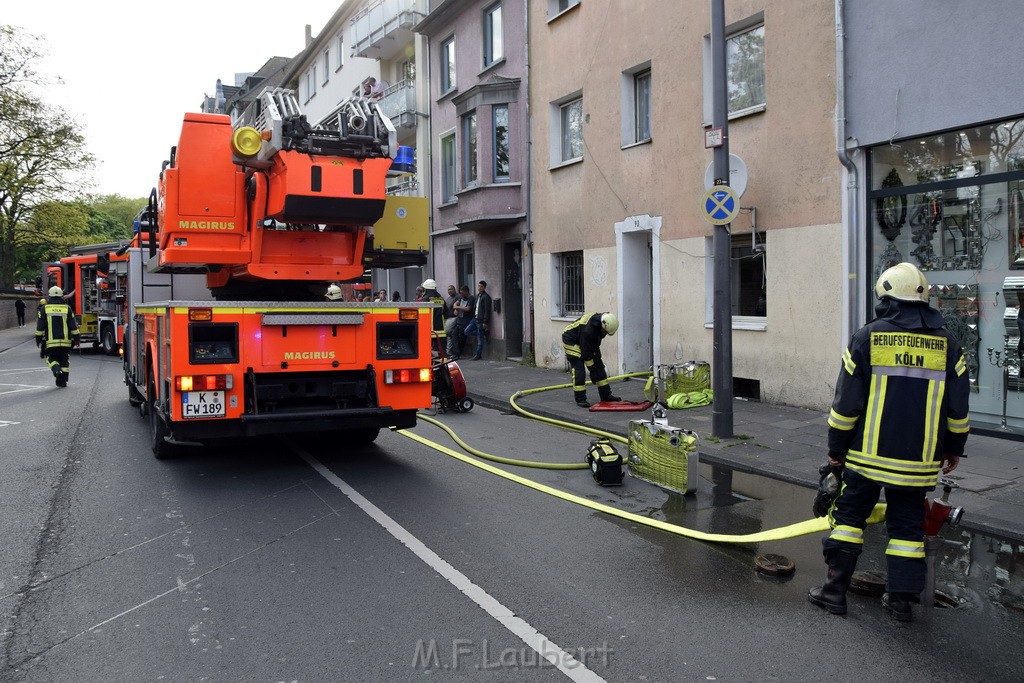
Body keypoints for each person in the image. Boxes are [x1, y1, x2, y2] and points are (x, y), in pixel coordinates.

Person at [808, 262, 969, 623]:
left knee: (849, 519)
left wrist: (836, 449)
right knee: (907, 531)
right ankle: (900, 604)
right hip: (918, 461)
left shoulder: (868, 337)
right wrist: (953, 448)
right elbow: (958, 408)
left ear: (885, 297)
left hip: (865, 457)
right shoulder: (948, 344)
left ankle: (834, 593)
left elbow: (846, 405)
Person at [561, 312, 621, 407]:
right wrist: (592, 371)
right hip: (571, 340)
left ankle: (606, 395)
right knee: (579, 368)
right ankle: (580, 399)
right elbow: (586, 353)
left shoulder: (603, 321)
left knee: (599, 365)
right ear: (602, 326)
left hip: (584, 341)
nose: (605, 334)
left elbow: (594, 345)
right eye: (605, 332)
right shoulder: (588, 331)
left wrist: (596, 364)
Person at [36, 286, 80, 387]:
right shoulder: (67, 309)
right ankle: (63, 381)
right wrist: (77, 339)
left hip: (51, 343)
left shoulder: (44, 309)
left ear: (50, 296)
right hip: (65, 342)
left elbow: (40, 328)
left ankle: (57, 371)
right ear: (61, 296)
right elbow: (73, 326)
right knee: (64, 360)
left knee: (50, 359)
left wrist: (38, 340)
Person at [462, 280, 492, 361]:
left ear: (484, 287)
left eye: (481, 286)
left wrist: (485, 322)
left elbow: (487, 310)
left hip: (481, 320)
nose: (479, 288)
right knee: (466, 331)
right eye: (479, 286)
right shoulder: (478, 296)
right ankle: (484, 333)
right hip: (475, 318)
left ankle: (478, 355)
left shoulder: (486, 297)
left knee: (479, 338)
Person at [420, 278, 448, 355]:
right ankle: (443, 366)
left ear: (426, 289)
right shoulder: (441, 299)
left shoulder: (426, 299)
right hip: (441, 331)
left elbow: (422, 315)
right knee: (442, 353)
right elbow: (446, 314)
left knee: (427, 352)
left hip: (429, 330)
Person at [449, 285, 474, 360]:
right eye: (460, 293)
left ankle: (457, 354)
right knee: (454, 335)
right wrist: (457, 308)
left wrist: (458, 308)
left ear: (466, 292)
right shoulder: (461, 298)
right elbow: (455, 304)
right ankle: (455, 353)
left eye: (462, 293)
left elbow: (468, 309)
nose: (461, 294)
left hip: (466, 322)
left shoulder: (471, 298)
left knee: (462, 338)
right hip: (459, 321)